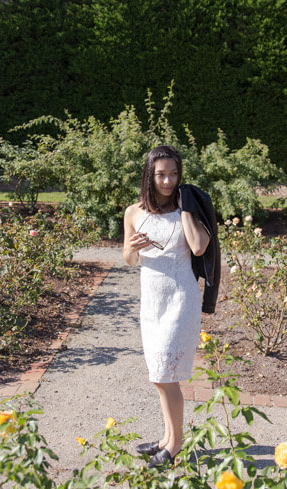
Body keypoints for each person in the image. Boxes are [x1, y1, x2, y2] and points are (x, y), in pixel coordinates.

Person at [123, 145, 215, 467]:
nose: (167, 181)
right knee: (158, 376)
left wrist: (187, 208)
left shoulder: (188, 206)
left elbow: (199, 247)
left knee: (165, 375)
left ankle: (175, 446)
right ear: (150, 174)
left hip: (180, 299)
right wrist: (132, 247)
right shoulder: (134, 212)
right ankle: (167, 437)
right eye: (161, 174)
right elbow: (129, 259)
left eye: (173, 174)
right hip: (151, 303)